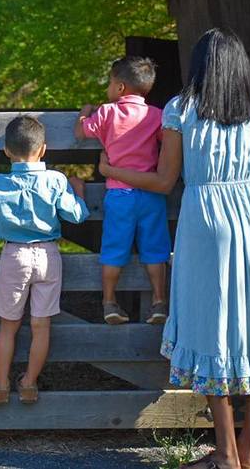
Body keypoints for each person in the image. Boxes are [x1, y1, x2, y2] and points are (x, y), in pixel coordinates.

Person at [98, 28, 250, 469]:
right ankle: (248, 456)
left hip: (205, 222)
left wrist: (114, 169)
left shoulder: (180, 109)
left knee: (212, 332)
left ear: (200, 66)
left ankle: (223, 456)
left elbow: (165, 181)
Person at [0, 116, 89, 405]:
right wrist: (78, 191)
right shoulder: (56, 180)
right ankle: (30, 384)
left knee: (9, 325)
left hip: (14, 256)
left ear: (7, 151)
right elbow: (77, 216)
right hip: (48, 254)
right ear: (43, 149)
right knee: (41, 325)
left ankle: (2, 385)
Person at [74, 56, 171, 325]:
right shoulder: (157, 115)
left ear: (119, 88)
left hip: (119, 195)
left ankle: (109, 302)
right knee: (155, 250)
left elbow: (82, 132)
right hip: (151, 194)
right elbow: (168, 141)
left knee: (115, 250)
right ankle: (159, 302)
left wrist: (84, 112)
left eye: (110, 82)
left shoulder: (106, 112)